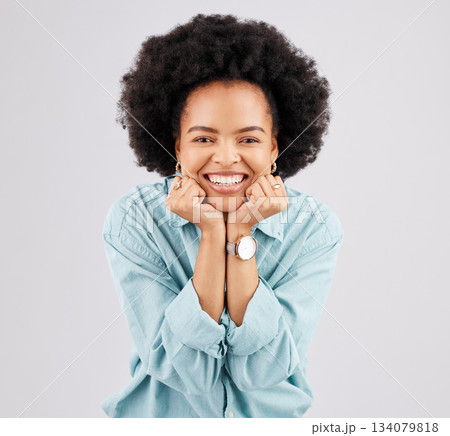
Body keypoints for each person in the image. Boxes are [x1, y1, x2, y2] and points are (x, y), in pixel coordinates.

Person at [100, 13, 344, 418]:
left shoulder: (314, 229)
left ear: (273, 148)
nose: (227, 157)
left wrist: (240, 232)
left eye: (248, 139)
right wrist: (213, 236)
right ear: (178, 148)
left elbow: (262, 371)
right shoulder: (135, 220)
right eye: (203, 138)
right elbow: (188, 374)